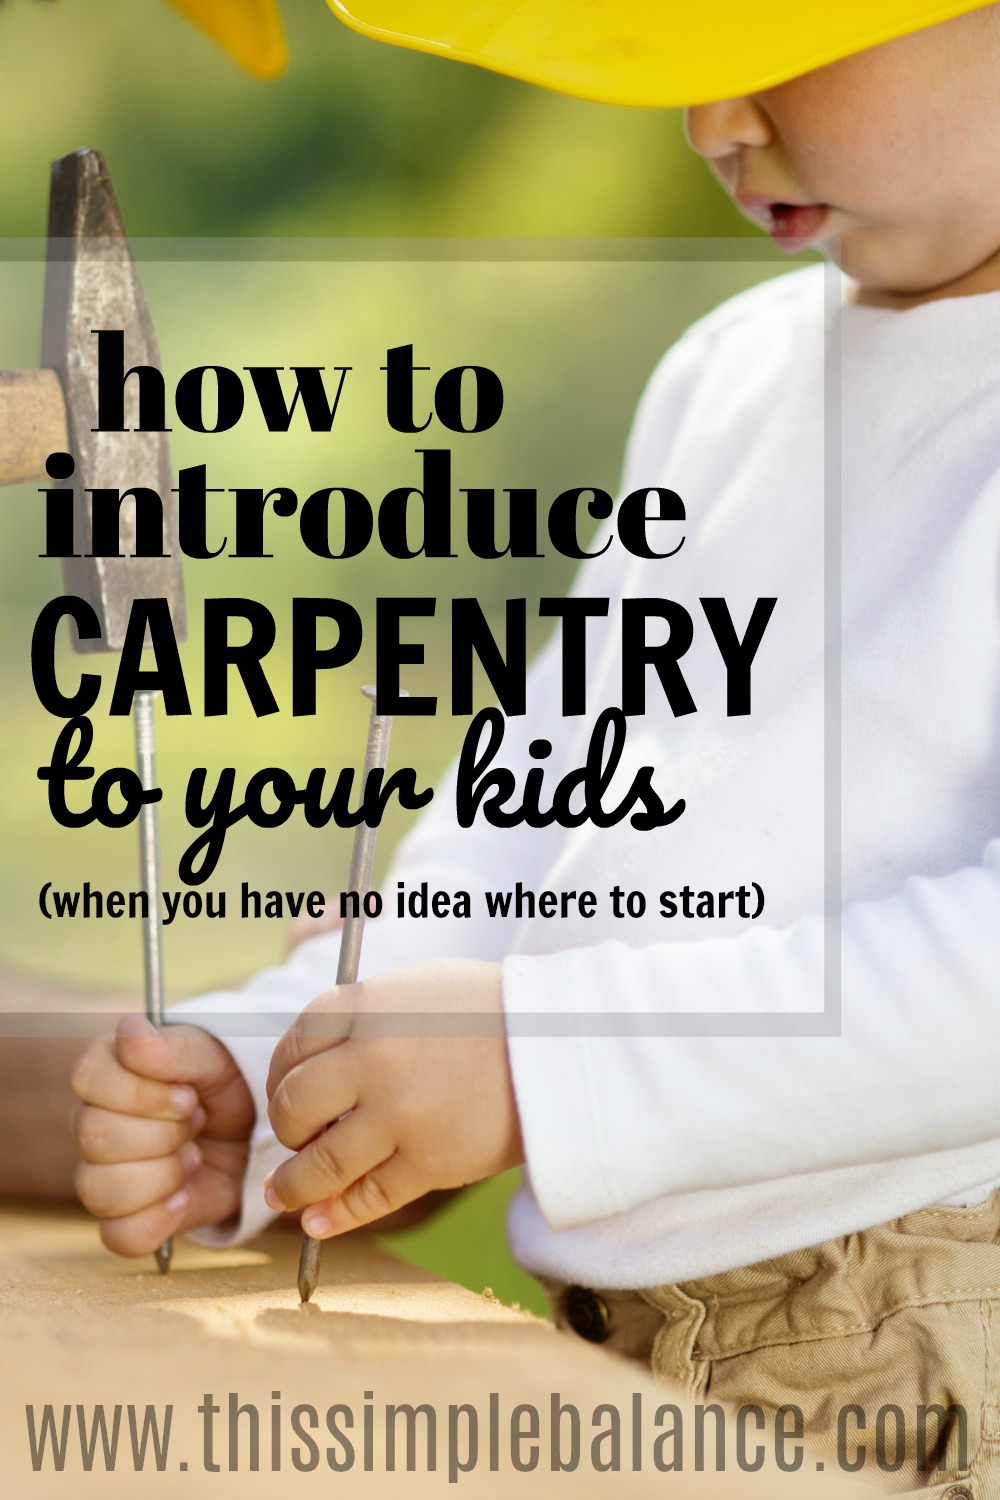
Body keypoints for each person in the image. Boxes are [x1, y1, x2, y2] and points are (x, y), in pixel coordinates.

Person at [70, 1, 1000, 1488]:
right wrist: (275, 1084)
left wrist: (534, 1063)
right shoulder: (729, 376)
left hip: (912, 1343)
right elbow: (520, 840)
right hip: (616, 1336)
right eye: (678, 68)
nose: (710, 121)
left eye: (778, 43)